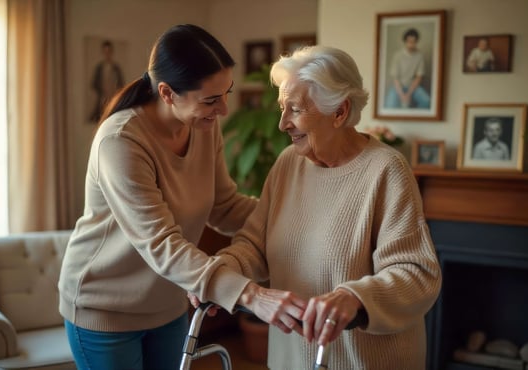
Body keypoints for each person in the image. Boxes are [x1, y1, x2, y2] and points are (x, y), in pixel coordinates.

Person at [58, 24, 306, 370]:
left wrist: (297, 221)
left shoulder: (202, 124)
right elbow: (161, 243)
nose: (222, 109)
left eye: (225, 94)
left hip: (168, 304)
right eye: (210, 99)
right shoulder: (120, 142)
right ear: (167, 92)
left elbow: (225, 205)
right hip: (105, 310)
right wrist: (252, 295)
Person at [193, 45, 442, 369]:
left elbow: (417, 274)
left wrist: (355, 297)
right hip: (293, 361)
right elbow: (255, 245)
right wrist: (221, 272)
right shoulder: (287, 165)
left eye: (294, 109)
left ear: (339, 111)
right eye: (283, 108)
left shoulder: (386, 170)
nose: (283, 123)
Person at [384, 28, 431, 109]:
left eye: (413, 42)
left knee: (426, 101)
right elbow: (395, 78)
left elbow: (418, 77)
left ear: (416, 42)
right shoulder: (398, 56)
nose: (411, 45)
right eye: (409, 42)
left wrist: (408, 94)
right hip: (398, 86)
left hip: (413, 86)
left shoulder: (419, 56)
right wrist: (402, 95)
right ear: (405, 42)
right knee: (389, 105)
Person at [90, 40, 125, 122]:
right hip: (102, 97)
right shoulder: (99, 68)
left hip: (113, 96)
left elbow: (121, 83)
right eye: (105, 52)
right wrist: (102, 91)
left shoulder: (116, 68)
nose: (107, 54)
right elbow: (94, 83)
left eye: (109, 51)